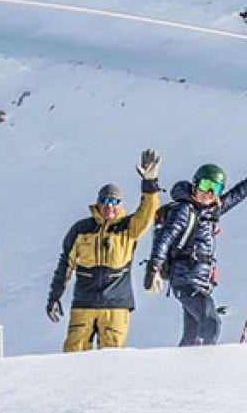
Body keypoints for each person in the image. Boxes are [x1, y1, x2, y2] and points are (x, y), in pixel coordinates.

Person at [144, 143, 247, 346]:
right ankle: (206, 369)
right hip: (186, 280)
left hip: (200, 281)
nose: (208, 193)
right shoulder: (184, 210)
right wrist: (154, 266)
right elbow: (166, 236)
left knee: (192, 334)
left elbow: (236, 196)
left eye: (215, 189)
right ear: (195, 185)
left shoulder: (211, 211)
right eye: (205, 186)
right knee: (211, 322)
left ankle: (182, 370)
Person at [46, 149, 162, 351]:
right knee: (73, 355)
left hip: (116, 305)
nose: (110, 206)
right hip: (84, 304)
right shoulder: (81, 230)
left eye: (115, 201)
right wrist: (55, 296)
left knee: (112, 359)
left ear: (120, 204)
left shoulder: (128, 228)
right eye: (106, 201)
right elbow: (66, 264)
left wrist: (150, 183)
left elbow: (147, 213)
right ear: (98, 203)